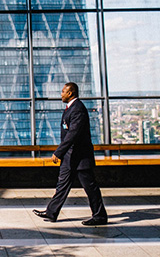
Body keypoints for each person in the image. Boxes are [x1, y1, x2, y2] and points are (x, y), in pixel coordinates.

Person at [33, 82, 108, 225]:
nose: (61, 94)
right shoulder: (71, 108)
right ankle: (51, 212)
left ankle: (100, 216)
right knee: (62, 185)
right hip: (70, 157)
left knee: (90, 187)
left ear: (70, 93)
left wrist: (58, 152)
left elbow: (73, 134)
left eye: (63, 92)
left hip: (80, 157)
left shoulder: (77, 109)